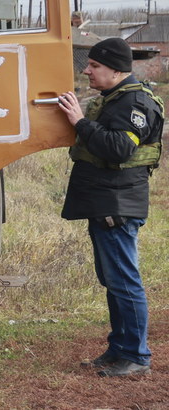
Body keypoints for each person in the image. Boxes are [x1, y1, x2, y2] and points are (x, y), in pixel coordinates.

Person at [58, 37, 163, 377]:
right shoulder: (114, 99)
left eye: (95, 66)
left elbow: (119, 149)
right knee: (113, 279)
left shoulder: (134, 102)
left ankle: (136, 356)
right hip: (105, 200)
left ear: (116, 70)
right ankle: (120, 348)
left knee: (124, 280)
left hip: (117, 204)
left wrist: (79, 121)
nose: (86, 70)